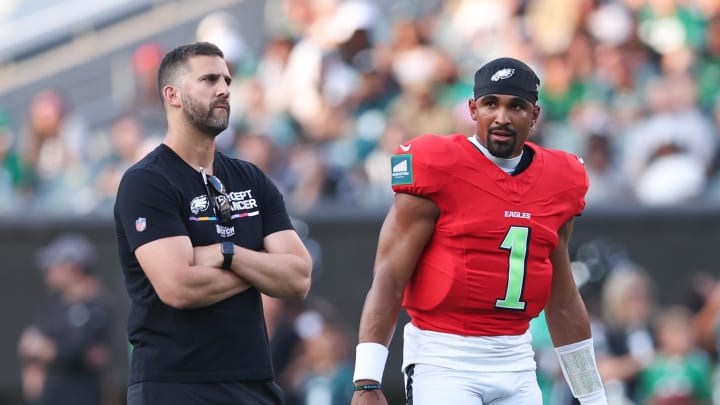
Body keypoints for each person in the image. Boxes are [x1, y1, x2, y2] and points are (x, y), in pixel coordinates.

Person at [351, 57, 607, 405]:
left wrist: (592, 396)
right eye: (491, 104)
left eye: (516, 106)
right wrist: (366, 381)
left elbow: (561, 300)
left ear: (535, 115)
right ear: (473, 109)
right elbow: (389, 277)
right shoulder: (436, 163)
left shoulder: (561, 178)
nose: (502, 117)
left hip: (517, 360)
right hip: (443, 360)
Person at [113, 41, 313, 405]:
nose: (223, 89)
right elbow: (179, 286)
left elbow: (298, 278)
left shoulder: (252, 178)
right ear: (172, 95)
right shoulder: (146, 181)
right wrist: (261, 268)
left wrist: (228, 252)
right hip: (174, 385)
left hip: (253, 382)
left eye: (227, 80)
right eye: (208, 79)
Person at [17, 233, 114, 405]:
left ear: (73, 268)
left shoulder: (97, 304)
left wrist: (47, 351)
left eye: (53, 266)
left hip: (82, 396)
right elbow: (30, 341)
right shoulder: (55, 302)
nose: (48, 272)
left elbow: (82, 350)